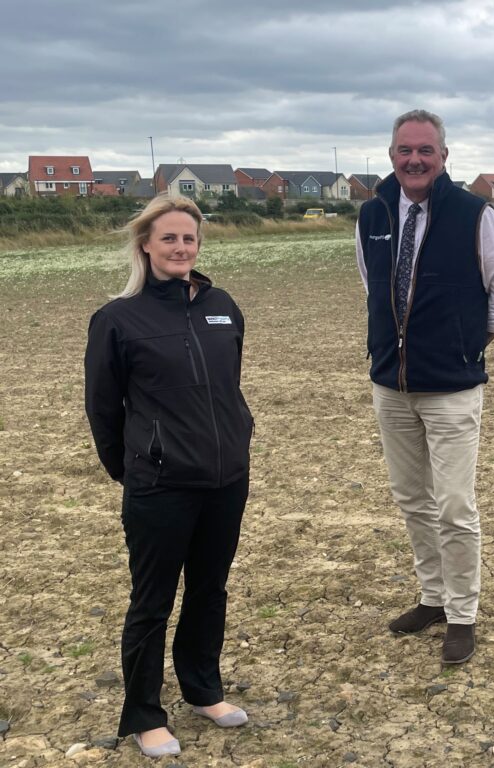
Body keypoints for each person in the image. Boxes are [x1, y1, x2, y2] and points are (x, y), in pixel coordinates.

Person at [84, 195, 254, 758]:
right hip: (159, 484)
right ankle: (144, 714)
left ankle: (204, 689)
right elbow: (103, 410)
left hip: (226, 478)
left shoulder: (222, 305)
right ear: (146, 246)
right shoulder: (117, 319)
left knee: (209, 590)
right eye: (170, 239)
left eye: (189, 239)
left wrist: (236, 442)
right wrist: (133, 468)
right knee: (152, 601)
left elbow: (228, 387)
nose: (181, 248)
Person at [356, 109, 494, 664]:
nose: (415, 160)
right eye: (406, 150)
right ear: (392, 156)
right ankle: (431, 597)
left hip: (451, 388)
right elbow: (373, 289)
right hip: (391, 387)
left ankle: (462, 614)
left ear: (444, 157)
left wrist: (466, 349)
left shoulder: (475, 214)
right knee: (412, 499)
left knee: (454, 504)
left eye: (426, 151)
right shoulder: (372, 214)